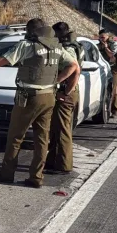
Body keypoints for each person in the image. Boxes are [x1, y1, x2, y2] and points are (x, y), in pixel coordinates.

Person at [0, 18, 80, 188]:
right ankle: (36, 177)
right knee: (42, 139)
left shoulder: (27, 46)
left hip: (28, 97)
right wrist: (56, 82)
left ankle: (6, 174)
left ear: (31, 31)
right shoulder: (56, 47)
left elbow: (1, 62)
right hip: (48, 97)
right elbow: (73, 65)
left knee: (15, 136)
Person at [45, 22, 83, 174]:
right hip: (65, 91)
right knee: (55, 129)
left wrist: (63, 89)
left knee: (62, 130)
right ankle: (53, 161)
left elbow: (75, 70)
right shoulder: (73, 45)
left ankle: (63, 165)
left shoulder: (68, 48)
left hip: (66, 93)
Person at [97, 29, 117, 117]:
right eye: (100, 37)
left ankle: (115, 110)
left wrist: (106, 47)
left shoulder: (113, 44)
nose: (101, 39)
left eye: (103, 37)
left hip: (112, 68)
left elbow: (112, 56)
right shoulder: (98, 45)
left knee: (114, 89)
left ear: (108, 36)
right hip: (102, 69)